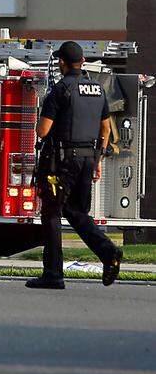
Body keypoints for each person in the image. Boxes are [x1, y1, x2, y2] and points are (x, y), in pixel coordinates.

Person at [26, 41, 123, 289]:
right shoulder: (98, 90)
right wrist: (98, 160)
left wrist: (41, 117)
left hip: (61, 163)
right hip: (88, 159)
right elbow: (105, 128)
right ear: (82, 62)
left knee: (52, 215)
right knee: (76, 212)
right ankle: (108, 252)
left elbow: (43, 131)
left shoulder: (60, 91)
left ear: (61, 63)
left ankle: (53, 274)